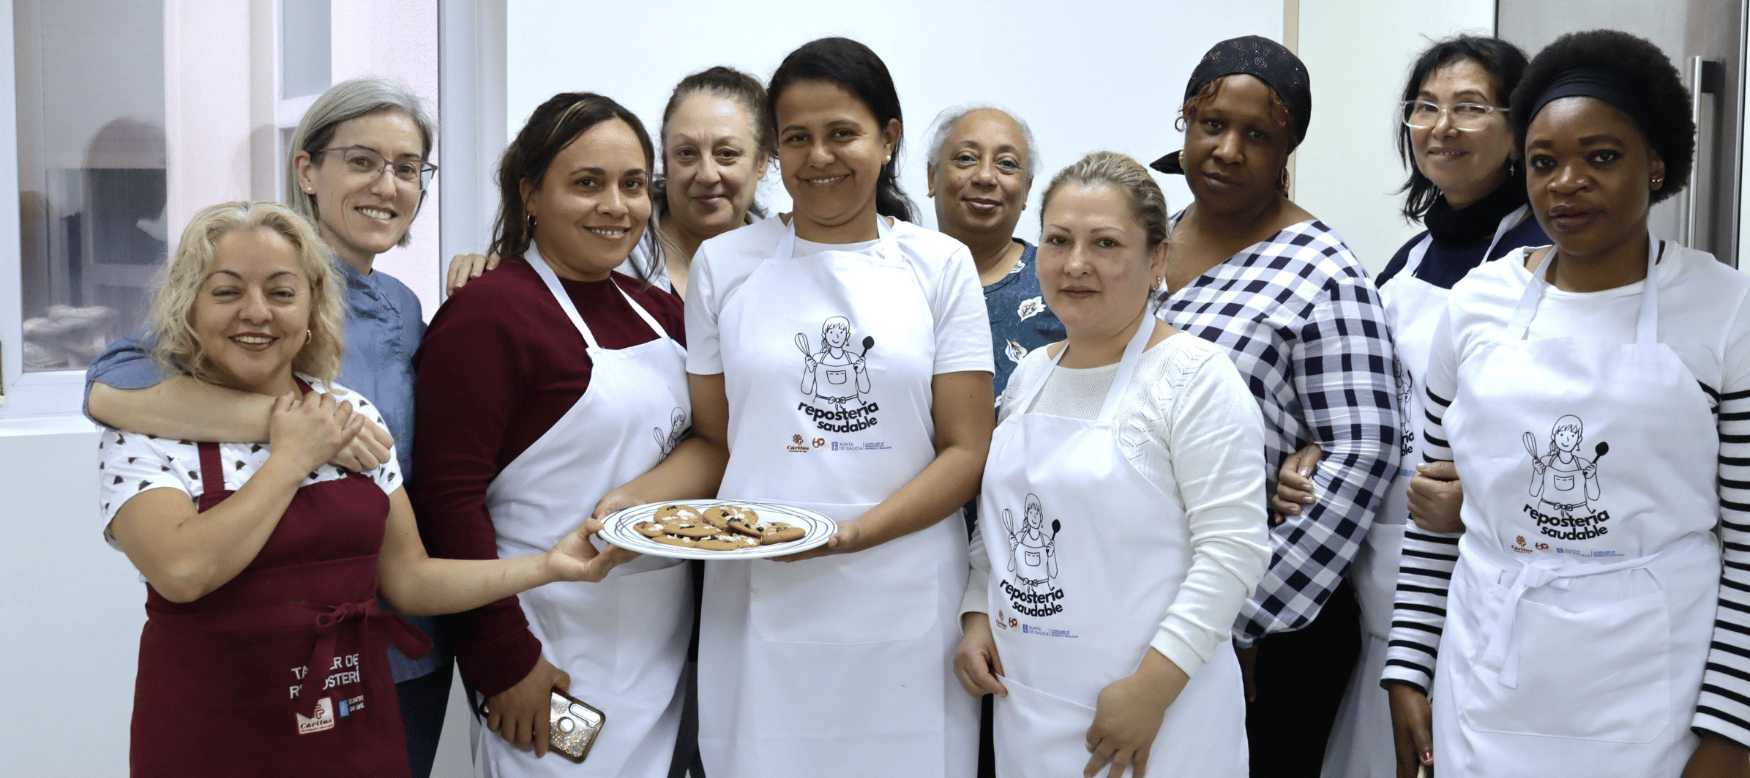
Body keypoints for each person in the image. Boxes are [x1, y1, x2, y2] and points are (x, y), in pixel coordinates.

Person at [101, 200, 627, 778]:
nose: (256, 312)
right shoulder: (144, 427)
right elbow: (182, 571)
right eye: (226, 292)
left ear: (312, 306)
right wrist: (292, 456)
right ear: (189, 307)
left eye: (281, 293)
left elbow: (409, 580)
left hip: (354, 724)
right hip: (211, 739)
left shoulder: (352, 413)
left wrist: (547, 566)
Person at [1383, 29, 1750, 778]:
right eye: (1544, 162)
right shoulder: (1476, 306)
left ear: (1656, 164)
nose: (1566, 183)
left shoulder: (1724, 309)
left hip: (1656, 697)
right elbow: (1434, 518)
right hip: (1486, 682)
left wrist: (1732, 732)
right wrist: (1409, 668)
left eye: (1602, 157)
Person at [81, 77, 455, 778]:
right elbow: (110, 387)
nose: (387, 184)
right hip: (255, 666)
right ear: (306, 170)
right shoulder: (249, 275)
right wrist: (309, 428)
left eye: (408, 168)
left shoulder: (403, 307)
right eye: (363, 160)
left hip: (388, 645)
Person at [679, 36, 992, 777]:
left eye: (842, 133)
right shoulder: (724, 264)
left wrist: (852, 534)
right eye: (796, 138)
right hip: (762, 587)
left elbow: (967, 449)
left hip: (906, 592)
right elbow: (718, 439)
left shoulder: (939, 265)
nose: (818, 156)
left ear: (888, 139)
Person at [412, 92, 722, 778]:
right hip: (543, 646)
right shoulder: (487, 316)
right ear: (530, 193)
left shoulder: (659, 311)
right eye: (587, 183)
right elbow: (446, 504)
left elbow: (712, 442)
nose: (616, 206)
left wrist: (632, 500)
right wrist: (502, 663)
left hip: (657, 640)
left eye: (632, 185)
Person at [1268, 35, 1545, 778]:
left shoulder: (1542, 258)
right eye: (1425, 107)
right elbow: (1366, 392)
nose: (1441, 126)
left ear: (1520, 129)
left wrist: (1480, 501)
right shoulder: (1409, 258)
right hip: (1378, 578)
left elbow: (1556, 433)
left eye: (1469, 108)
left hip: (1477, 572)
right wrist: (1314, 453)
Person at [955, 150, 1270, 778]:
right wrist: (976, 614)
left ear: (1157, 260)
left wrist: (1151, 690)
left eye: (1105, 243)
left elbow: (1233, 552)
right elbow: (1004, 526)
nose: (1076, 264)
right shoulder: (1031, 375)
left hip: (1159, 720)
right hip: (1030, 706)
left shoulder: (1195, 378)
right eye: (1058, 240)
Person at [1147, 35, 1400, 776]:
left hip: (1265, 632)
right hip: (1145, 600)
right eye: (1212, 125)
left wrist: (1240, 617)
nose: (1228, 150)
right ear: (1185, 123)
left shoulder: (1324, 273)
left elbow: (1362, 451)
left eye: (1257, 135)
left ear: (1287, 148)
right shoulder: (1149, 239)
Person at [447, 66, 774, 299]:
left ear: (762, 160)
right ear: (664, 159)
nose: (706, 174)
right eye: (686, 153)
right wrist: (486, 270)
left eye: (727, 154)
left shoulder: (790, 260)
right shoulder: (603, 247)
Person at [924, 105, 1065, 398]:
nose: (986, 176)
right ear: (931, 175)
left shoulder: (1062, 283)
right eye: (966, 158)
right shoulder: (894, 276)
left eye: (1007, 164)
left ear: (1027, 189)